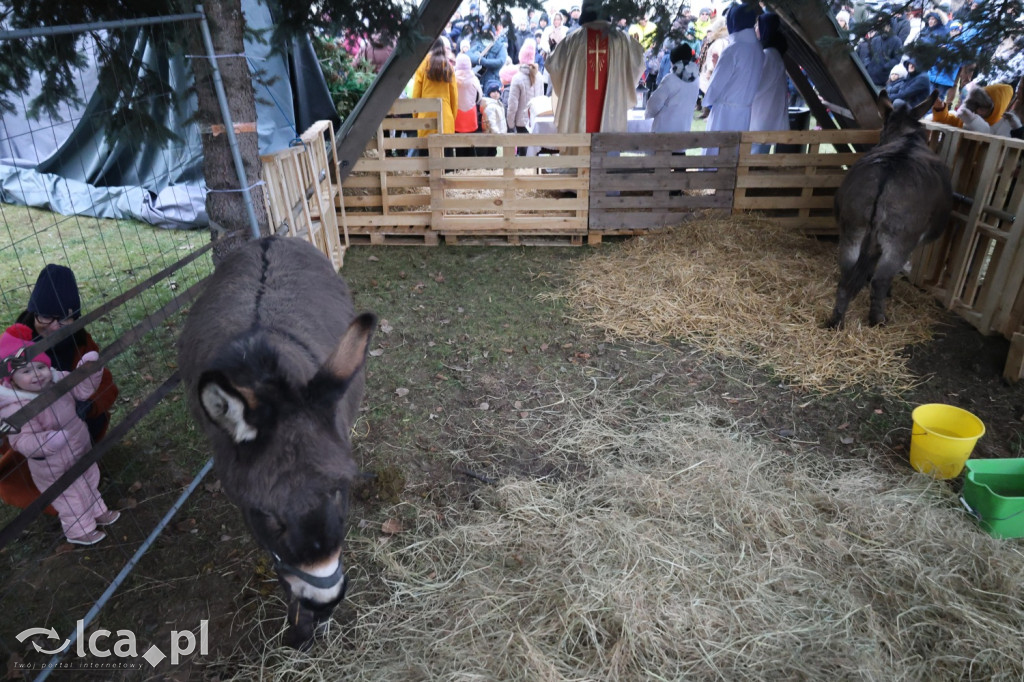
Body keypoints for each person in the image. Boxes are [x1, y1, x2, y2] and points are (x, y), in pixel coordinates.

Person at [0, 265, 119, 514]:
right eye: (46, 317)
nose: (55, 326)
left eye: (65, 318)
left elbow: (106, 384)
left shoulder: (80, 341)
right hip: (33, 430)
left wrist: (89, 405)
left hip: (72, 424)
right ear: (34, 313)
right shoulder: (15, 346)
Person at [0, 323, 119, 545]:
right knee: (69, 496)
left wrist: (88, 372)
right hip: (52, 463)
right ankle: (79, 531)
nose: (37, 375)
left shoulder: (57, 379)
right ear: (11, 379)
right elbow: (21, 441)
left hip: (79, 447)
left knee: (89, 479)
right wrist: (47, 442)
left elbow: (81, 390)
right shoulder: (15, 407)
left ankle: (97, 511)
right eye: (26, 371)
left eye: (40, 367)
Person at [546, 7, 645, 134]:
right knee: (608, 148)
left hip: (579, 111)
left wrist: (553, 47)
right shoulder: (621, 39)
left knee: (580, 145)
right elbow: (638, 63)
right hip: (611, 109)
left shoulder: (573, 39)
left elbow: (554, 65)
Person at [702, 2, 764, 134]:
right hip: (745, 112)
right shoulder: (758, 48)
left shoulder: (733, 49)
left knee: (718, 150)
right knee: (736, 151)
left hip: (724, 113)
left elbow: (717, 84)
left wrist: (708, 101)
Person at [749, 13, 789, 154]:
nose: (755, 29)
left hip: (762, 114)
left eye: (758, 25)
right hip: (766, 113)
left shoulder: (769, 55)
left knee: (755, 155)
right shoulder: (773, 53)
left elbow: (758, 85)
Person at [412, 38, 458, 153]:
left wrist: (416, 116)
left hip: (425, 117)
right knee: (445, 163)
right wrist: (452, 117)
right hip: (445, 117)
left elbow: (416, 94)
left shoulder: (422, 66)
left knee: (426, 163)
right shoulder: (449, 67)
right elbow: (454, 97)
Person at [645, 44, 700, 133]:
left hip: (664, 130)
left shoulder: (670, 79)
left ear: (672, 61)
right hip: (684, 128)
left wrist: (647, 115)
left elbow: (654, 104)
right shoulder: (696, 79)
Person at [506, 39, 545, 155]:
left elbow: (512, 104)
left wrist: (510, 124)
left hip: (521, 123)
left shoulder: (517, 78)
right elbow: (541, 101)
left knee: (523, 156)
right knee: (534, 154)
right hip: (536, 123)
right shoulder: (540, 77)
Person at [453, 53, 483, 156]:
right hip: (470, 115)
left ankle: (460, 169)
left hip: (457, 115)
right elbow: (479, 97)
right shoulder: (474, 79)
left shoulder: (453, 79)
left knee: (458, 146)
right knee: (471, 143)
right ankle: (471, 167)